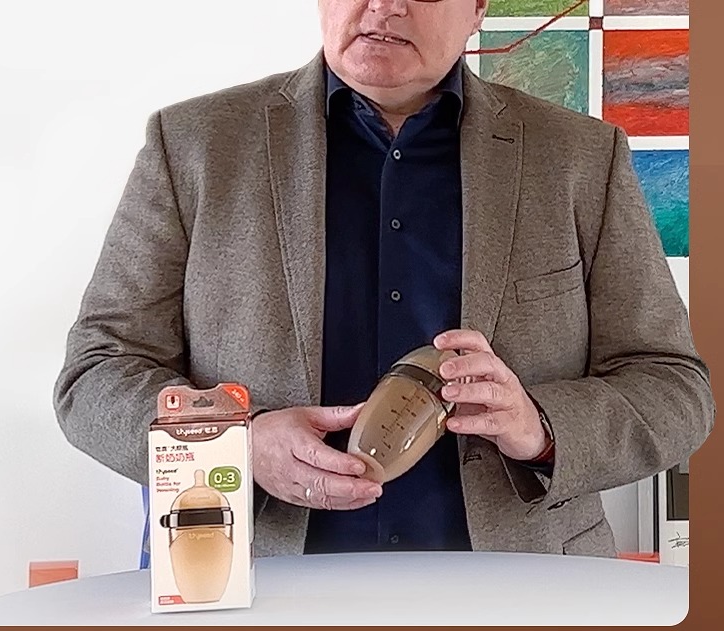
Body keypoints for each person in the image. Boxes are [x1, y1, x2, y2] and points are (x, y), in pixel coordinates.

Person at [53, 0, 714, 558]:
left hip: (520, 596)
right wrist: (237, 445)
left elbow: (673, 387)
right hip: (259, 593)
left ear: (478, 9)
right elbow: (96, 373)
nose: (386, 6)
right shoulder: (193, 144)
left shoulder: (580, 157)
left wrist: (540, 427)